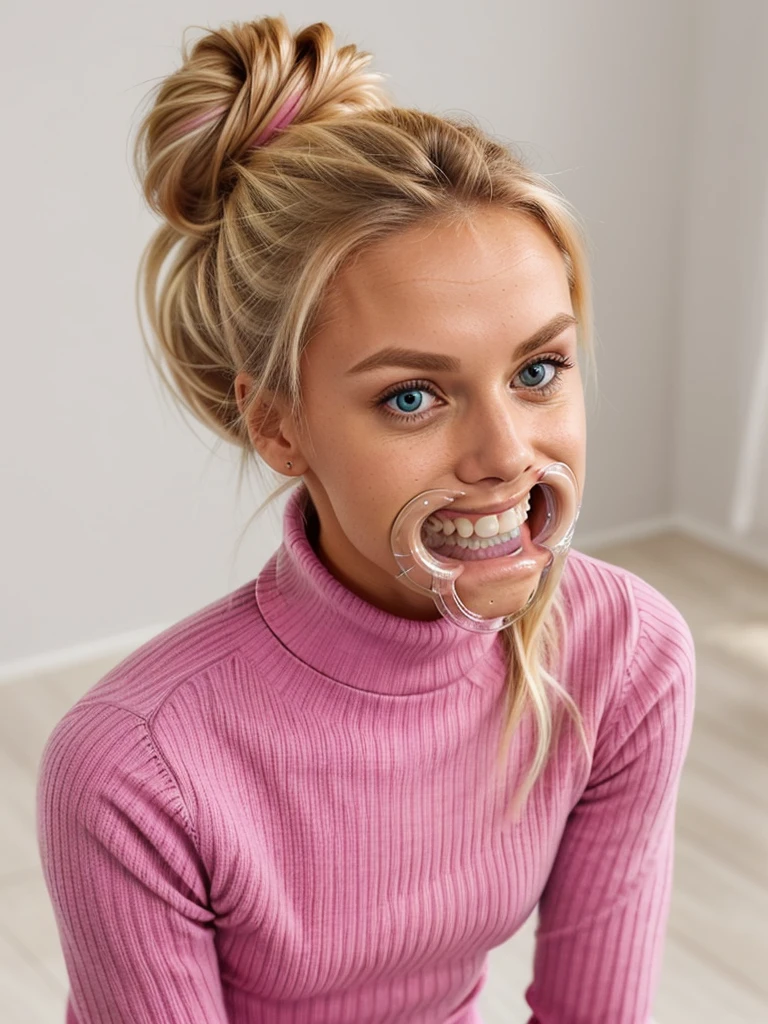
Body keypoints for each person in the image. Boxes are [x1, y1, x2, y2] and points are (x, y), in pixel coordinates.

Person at [36, 15, 696, 1024]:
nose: (505, 455)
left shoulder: (626, 656)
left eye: (537, 370)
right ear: (280, 425)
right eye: (412, 398)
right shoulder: (137, 764)